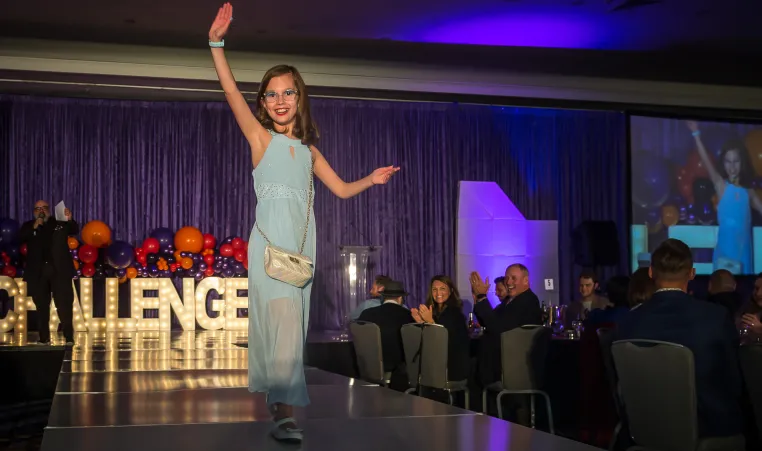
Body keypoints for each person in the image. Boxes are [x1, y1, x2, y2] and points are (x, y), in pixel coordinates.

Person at [208, 3, 400, 442]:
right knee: (280, 326)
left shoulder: (311, 153)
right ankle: (285, 416)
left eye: (288, 92)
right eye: (272, 94)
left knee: (291, 332)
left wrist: (370, 178)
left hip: (300, 254)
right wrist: (216, 43)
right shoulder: (260, 139)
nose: (280, 101)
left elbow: (342, 190)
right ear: (264, 103)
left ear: (300, 98)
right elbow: (230, 91)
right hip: (268, 248)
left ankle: (280, 408)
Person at [616, 238, 743, 440]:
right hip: (708, 431)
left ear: (650, 272)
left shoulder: (628, 321)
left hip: (644, 432)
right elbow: (735, 382)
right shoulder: (716, 317)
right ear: (692, 274)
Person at [687, 121, 762, 274]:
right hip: (724, 255)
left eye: (736, 161)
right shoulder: (721, 186)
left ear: (742, 162)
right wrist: (696, 135)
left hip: (744, 256)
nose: (732, 166)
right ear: (723, 162)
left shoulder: (749, 192)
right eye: (728, 161)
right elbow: (706, 161)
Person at [18, 200, 78, 345]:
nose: (41, 211)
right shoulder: (29, 226)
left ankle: (69, 337)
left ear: (49, 210)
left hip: (59, 270)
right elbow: (20, 237)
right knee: (41, 306)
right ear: (34, 211)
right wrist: (35, 226)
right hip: (38, 272)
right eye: (38, 208)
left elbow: (73, 229)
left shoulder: (58, 222)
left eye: (44, 208)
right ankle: (44, 338)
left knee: (64, 304)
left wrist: (69, 219)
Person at [411, 275, 470, 382]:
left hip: (451, 365)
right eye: (434, 289)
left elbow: (446, 342)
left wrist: (430, 322)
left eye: (442, 289)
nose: (438, 293)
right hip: (434, 363)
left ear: (451, 291)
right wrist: (421, 322)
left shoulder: (454, 313)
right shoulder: (433, 311)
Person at [357, 280, 414, 380]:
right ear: (400, 298)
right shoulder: (408, 316)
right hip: (397, 374)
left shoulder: (366, 313)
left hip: (367, 368)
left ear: (383, 297)